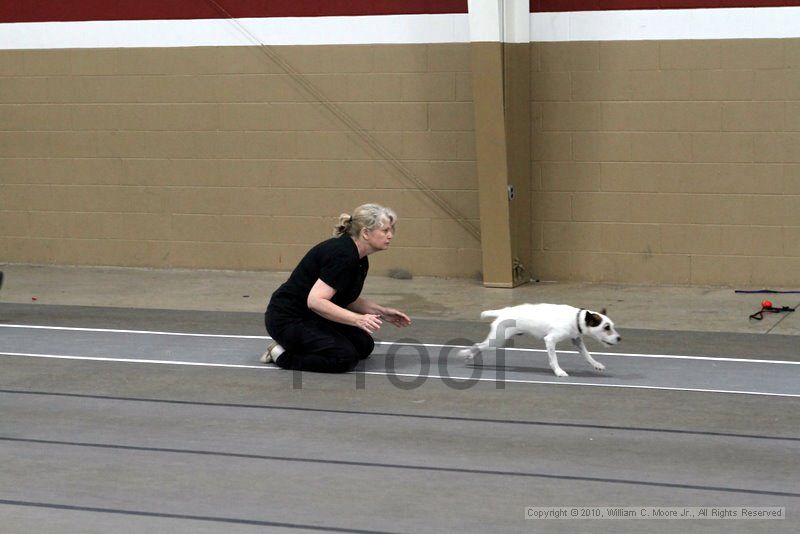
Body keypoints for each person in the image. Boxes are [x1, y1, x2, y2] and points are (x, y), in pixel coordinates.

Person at [262, 203, 411, 373]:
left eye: (391, 230)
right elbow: (315, 301)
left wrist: (383, 312)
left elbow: (345, 298)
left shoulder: (360, 258)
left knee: (364, 345)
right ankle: (280, 354)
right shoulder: (343, 255)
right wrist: (357, 319)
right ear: (365, 233)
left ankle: (300, 345)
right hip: (288, 319)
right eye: (385, 231)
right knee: (344, 358)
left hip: (311, 316)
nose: (390, 235)